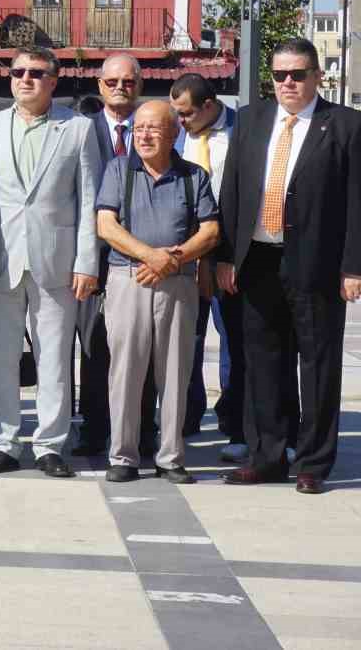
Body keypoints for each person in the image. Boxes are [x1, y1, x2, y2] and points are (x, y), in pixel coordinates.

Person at [218, 39, 361, 494]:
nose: (288, 84)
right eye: (280, 75)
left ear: (318, 76)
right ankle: (267, 456)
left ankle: (313, 464)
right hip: (258, 260)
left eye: (297, 74)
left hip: (316, 263)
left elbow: (358, 203)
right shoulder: (252, 120)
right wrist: (225, 255)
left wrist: (353, 267)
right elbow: (233, 191)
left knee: (317, 365)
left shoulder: (344, 125)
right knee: (262, 362)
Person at [0, 47, 99, 478]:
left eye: (36, 73)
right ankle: (4, 442)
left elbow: (88, 201)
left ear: (54, 80)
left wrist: (87, 263)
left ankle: (50, 445)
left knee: (55, 359)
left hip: (57, 260)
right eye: (18, 72)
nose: (25, 79)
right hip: (1, 257)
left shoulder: (79, 129)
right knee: (2, 357)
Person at [97, 100, 219, 484]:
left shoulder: (193, 176)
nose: (144, 135)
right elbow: (106, 225)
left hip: (178, 283)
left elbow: (211, 231)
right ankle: (123, 456)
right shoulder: (119, 169)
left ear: (174, 134)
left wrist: (174, 258)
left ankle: (170, 456)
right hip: (128, 279)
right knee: (126, 370)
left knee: (176, 370)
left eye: (154, 128)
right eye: (140, 128)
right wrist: (152, 257)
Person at [72, 53, 157, 458]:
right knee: (93, 346)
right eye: (112, 82)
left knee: (140, 348)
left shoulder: (155, 129)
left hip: (141, 259)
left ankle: (141, 429)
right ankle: (92, 426)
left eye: (128, 82)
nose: (120, 88)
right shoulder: (79, 130)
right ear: (99, 84)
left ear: (139, 84)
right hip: (92, 255)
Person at [169, 74, 252, 461]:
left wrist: (228, 256)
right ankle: (186, 415)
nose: (180, 121)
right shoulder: (175, 134)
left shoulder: (244, 131)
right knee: (187, 339)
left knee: (234, 342)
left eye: (186, 113)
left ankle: (233, 419)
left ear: (208, 105)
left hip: (228, 256)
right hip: (184, 253)